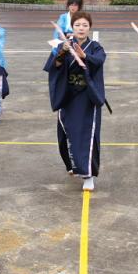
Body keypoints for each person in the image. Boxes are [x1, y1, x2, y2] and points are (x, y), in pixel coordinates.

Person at [44, 11, 106, 192]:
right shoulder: (64, 45)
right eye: (78, 25)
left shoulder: (95, 47)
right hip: (68, 95)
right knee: (66, 133)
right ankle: (72, 164)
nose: (81, 28)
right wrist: (62, 53)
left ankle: (88, 175)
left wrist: (85, 57)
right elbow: (53, 66)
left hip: (87, 96)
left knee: (87, 135)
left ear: (90, 28)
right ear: (72, 27)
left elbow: (100, 61)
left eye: (85, 25)